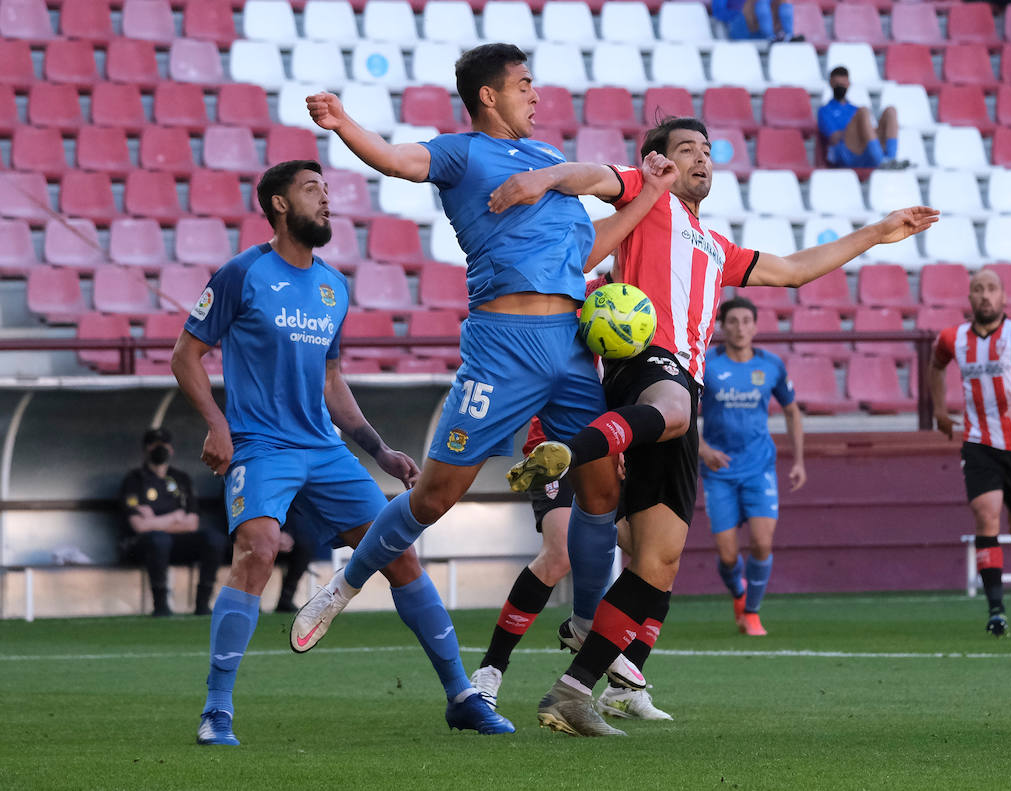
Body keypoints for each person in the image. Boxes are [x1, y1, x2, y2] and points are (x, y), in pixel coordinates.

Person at [504, 116, 939, 736]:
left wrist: (875, 232)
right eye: (687, 150)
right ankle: (570, 452)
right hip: (649, 364)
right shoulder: (645, 193)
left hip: (676, 390)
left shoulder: (715, 247)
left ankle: (574, 693)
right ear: (658, 161)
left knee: (659, 561)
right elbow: (594, 176)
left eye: (708, 151)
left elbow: (790, 270)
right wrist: (543, 178)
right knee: (677, 418)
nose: (701, 159)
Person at [289, 44, 674, 671]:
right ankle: (345, 584)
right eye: (525, 85)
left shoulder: (549, 160)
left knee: (602, 493)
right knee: (435, 497)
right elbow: (398, 160)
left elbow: (579, 256)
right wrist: (344, 123)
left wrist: (648, 196)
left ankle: (583, 623)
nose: (536, 95)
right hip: (503, 349)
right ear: (489, 96)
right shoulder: (462, 153)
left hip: (574, 348)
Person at [174, 160, 514, 747]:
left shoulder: (335, 286)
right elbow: (186, 355)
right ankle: (217, 709)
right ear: (279, 205)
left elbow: (332, 381)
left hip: (325, 450)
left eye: (327, 190)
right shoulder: (242, 273)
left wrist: (378, 449)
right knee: (256, 550)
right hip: (261, 446)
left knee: (400, 557)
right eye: (312, 190)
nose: (326, 200)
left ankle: (462, 696)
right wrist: (216, 425)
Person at [470, 417, 673, 722]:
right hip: (559, 442)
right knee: (559, 552)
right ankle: (490, 670)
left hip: (616, 446)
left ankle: (623, 693)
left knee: (658, 558)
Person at [928, 269, 1011, 637]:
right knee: (985, 514)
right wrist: (939, 411)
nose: (984, 295)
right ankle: (996, 610)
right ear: (970, 298)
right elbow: (936, 364)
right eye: (978, 289)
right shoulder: (953, 337)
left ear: (1003, 296)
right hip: (978, 442)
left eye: (991, 288)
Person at [698, 296, 805, 637]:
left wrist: (799, 460)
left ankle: (753, 613)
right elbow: (681, 410)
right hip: (719, 471)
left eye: (746, 321)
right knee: (728, 555)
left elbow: (791, 411)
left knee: (762, 543)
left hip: (759, 467)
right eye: (733, 321)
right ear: (722, 326)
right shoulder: (706, 366)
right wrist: (702, 449)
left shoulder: (771, 365)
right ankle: (739, 595)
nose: (740, 327)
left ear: (756, 326)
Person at [119, 426, 226, 617]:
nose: (160, 449)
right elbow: (140, 526)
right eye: (154, 445)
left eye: (164, 445)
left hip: (177, 545)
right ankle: (161, 605)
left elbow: (192, 524)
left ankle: (203, 604)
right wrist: (174, 517)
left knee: (214, 539)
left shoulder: (181, 479)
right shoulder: (134, 480)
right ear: (146, 449)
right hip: (144, 547)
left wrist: (154, 519)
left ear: (171, 449)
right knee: (159, 540)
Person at [817, 67, 904, 170]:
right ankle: (881, 162)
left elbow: (869, 132)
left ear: (848, 84)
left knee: (891, 111)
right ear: (831, 83)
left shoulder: (854, 109)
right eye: (837, 84)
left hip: (865, 151)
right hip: (844, 153)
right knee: (863, 111)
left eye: (843, 84)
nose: (840, 87)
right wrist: (858, 130)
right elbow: (835, 138)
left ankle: (891, 160)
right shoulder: (825, 110)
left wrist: (864, 131)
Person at [712, 0, 796, 42]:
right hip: (737, 27)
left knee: (783, 2)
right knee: (760, 2)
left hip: (761, 27)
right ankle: (771, 36)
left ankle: (788, 35)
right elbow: (718, 13)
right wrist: (741, 13)